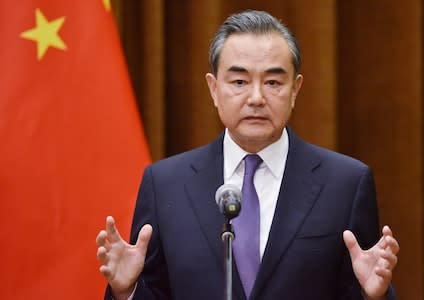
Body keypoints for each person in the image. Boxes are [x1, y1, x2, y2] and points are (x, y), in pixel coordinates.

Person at [96, 10, 399, 300]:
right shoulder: (165, 184)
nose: (256, 98)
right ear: (214, 89)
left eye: (273, 82)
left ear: (295, 89)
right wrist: (127, 292)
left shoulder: (345, 184)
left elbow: (356, 287)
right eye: (239, 82)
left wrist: (372, 295)